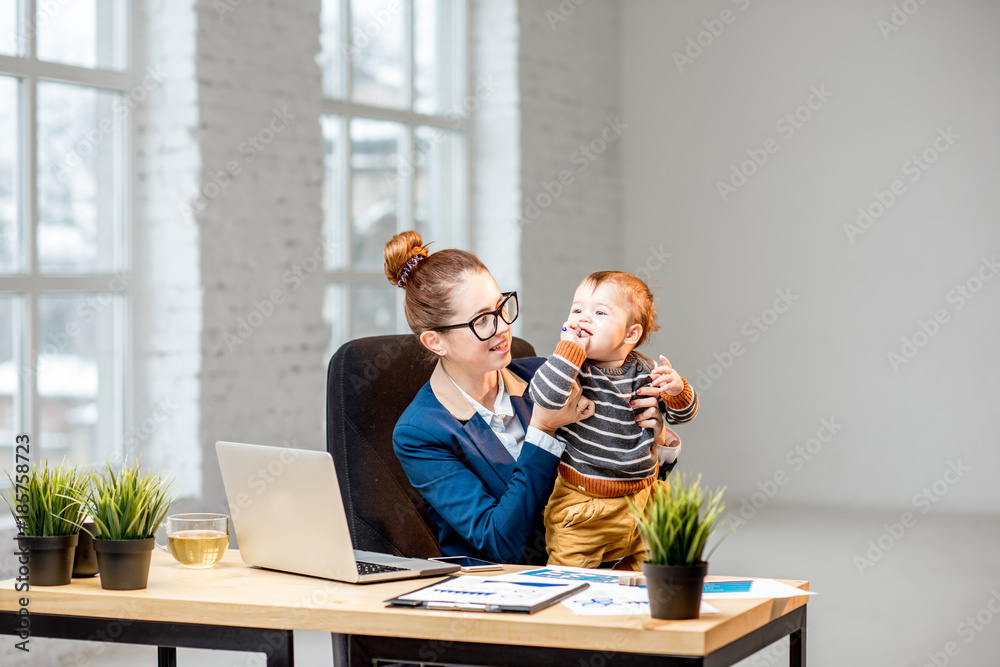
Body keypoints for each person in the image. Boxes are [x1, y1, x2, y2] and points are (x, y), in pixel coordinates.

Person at [385, 231, 679, 565]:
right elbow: (500, 542)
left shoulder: (549, 375)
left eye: (500, 307)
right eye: (482, 320)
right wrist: (542, 429)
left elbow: (612, 482)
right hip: (500, 586)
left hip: (596, 568)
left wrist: (656, 439)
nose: (502, 328)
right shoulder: (420, 432)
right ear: (435, 342)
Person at [528, 271, 699, 570]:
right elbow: (544, 395)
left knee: (655, 577)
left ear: (630, 334)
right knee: (568, 581)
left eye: (600, 312)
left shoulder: (644, 369)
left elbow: (679, 416)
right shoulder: (572, 368)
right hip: (584, 507)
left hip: (645, 499)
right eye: (577, 309)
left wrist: (677, 390)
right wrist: (568, 350)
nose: (584, 318)